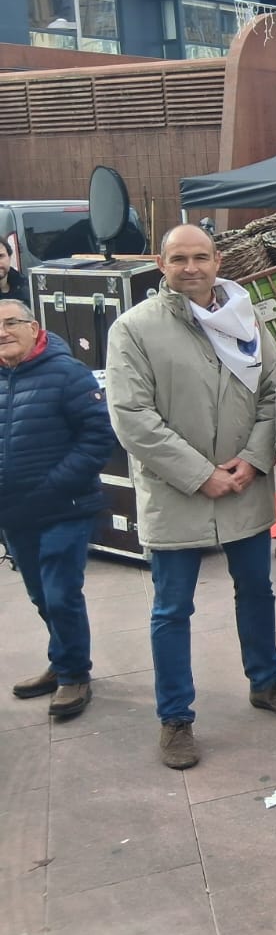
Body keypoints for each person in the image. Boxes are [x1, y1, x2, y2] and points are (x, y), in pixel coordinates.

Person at [106, 224, 276, 770]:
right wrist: (200, 474)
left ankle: (266, 681)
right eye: (179, 259)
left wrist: (253, 458)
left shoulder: (246, 319)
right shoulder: (135, 328)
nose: (191, 268)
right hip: (177, 493)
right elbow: (132, 417)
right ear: (161, 264)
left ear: (218, 260)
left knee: (257, 591)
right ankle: (175, 718)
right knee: (172, 609)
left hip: (244, 484)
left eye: (201, 257)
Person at [0, 298, 114, 721]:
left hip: (66, 506)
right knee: (39, 593)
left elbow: (98, 438)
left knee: (61, 592)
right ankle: (63, 658)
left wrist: (52, 486)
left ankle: (73, 674)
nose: (2, 333)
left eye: (11, 323)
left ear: (34, 328)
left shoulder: (68, 373)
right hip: (14, 513)